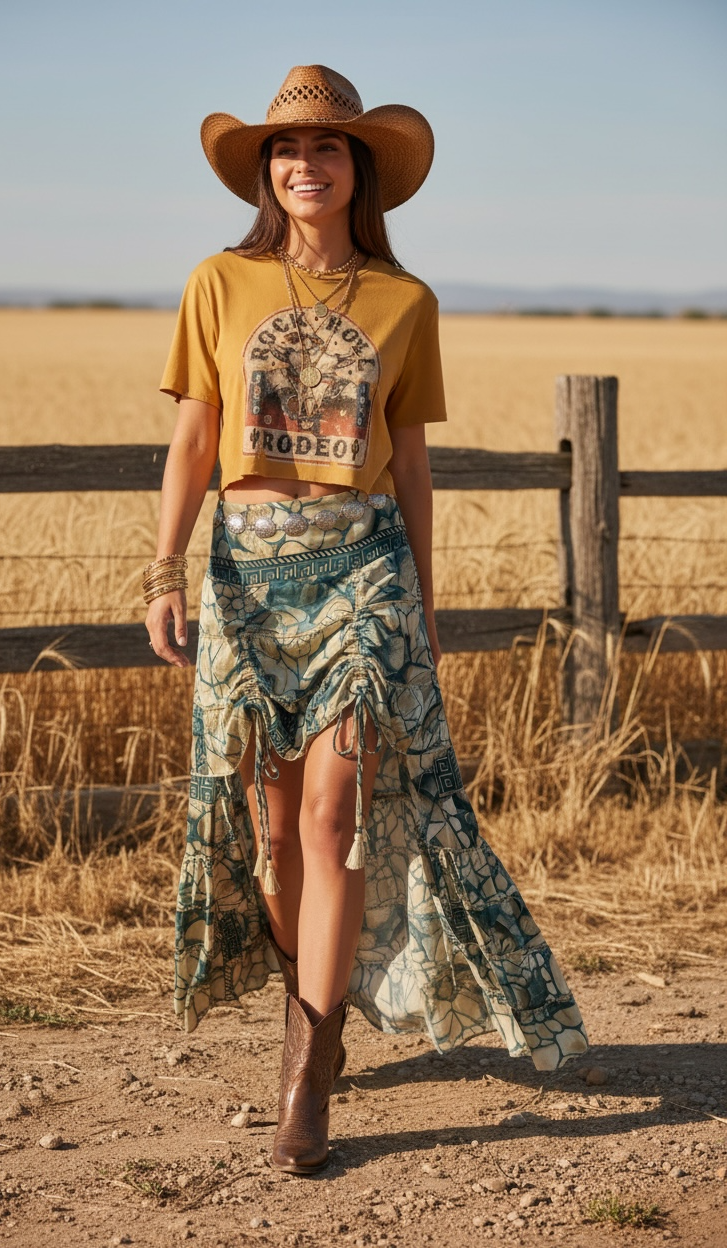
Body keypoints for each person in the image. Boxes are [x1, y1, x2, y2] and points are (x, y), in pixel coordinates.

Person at [145, 65, 588, 1176]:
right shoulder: (217, 282)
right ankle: (317, 1008)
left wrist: (423, 605)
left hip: (365, 571)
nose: (305, 164)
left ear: (359, 169)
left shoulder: (406, 301)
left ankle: (306, 1076)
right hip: (248, 575)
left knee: (335, 815)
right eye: (286, 149)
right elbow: (194, 439)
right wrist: (161, 571)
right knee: (274, 835)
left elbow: (416, 465)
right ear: (265, 171)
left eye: (327, 147)